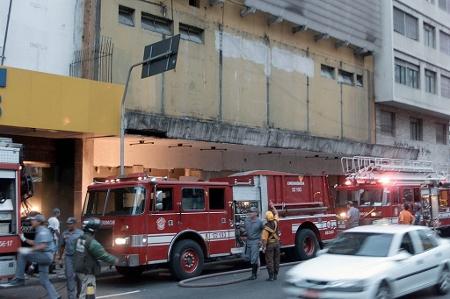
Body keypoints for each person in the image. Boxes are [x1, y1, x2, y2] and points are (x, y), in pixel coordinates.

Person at [5, 214, 60, 299]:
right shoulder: (40, 230)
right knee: (43, 280)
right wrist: (24, 239)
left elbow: (42, 246)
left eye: (33, 220)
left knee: (22, 254)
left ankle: (19, 279)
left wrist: (29, 250)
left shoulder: (43, 231)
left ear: (38, 222)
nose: (31, 221)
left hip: (45, 256)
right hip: (46, 257)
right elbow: (36, 243)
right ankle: (55, 297)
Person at [74, 217, 118, 299]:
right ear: (93, 230)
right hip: (87, 272)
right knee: (87, 294)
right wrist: (115, 260)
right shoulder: (92, 242)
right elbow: (103, 255)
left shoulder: (79, 239)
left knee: (84, 291)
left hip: (80, 270)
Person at [60, 217, 83, 299]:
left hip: (78, 258)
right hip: (68, 257)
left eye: (70, 224)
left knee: (79, 277)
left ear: (74, 224)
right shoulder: (64, 233)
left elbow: (84, 247)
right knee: (69, 276)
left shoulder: (80, 233)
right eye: (67, 224)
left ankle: (79, 294)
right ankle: (71, 296)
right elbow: (62, 246)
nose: (68, 225)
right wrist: (60, 258)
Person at [242, 206, 264, 280]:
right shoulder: (246, 220)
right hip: (248, 241)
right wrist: (243, 235)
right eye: (249, 212)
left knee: (254, 258)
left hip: (255, 241)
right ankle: (256, 269)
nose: (250, 213)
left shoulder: (260, 222)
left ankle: (254, 274)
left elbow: (263, 231)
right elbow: (243, 229)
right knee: (246, 257)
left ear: (256, 213)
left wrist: (261, 240)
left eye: (251, 212)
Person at [261, 202, 280, 281]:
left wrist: (263, 247)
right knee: (276, 259)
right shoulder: (276, 222)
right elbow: (276, 213)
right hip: (277, 244)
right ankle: (275, 275)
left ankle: (271, 276)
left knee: (270, 260)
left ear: (266, 218)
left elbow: (264, 239)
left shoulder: (266, 228)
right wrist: (273, 206)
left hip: (270, 245)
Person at [48, 208, 61, 272]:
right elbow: (56, 230)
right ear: (57, 213)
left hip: (50, 238)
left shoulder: (49, 219)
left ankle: (50, 267)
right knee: (54, 253)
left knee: (50, 252)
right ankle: (51, 269)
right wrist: (60, 237)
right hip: (54, 238)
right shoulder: (56, 221)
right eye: (59, 213)